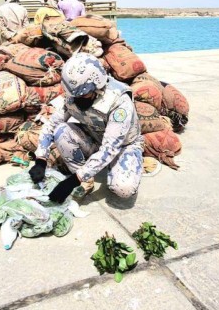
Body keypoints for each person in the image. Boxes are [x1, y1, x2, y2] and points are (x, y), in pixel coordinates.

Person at [28, 53, 144, 203]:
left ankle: (123, 164)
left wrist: (73, 181)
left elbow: (110, 148)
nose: (77, 100)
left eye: (83, 96)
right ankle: (85, 180)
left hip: (123, 145)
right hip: (95, 137)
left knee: (123, 189)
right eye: (74, 96)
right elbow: (52, 125)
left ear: (97, 86)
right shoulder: (75, 93)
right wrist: (41, 159)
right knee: (61, 131)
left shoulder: (119, 101)